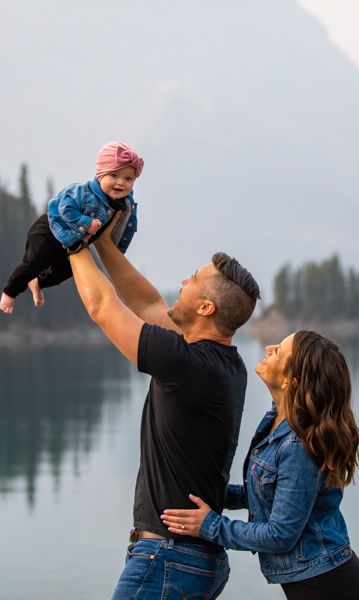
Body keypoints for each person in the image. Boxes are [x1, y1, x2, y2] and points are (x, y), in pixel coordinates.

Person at [67, 225, 261, 599]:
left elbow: (102, 306)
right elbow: (147, 306)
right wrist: (102, 243)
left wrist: (72, 239)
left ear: (206, 308)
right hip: (195, 561)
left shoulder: (187, 364)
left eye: (195, 279)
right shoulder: (224, 364)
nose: (184, 280)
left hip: (169, 559)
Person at [161, 330, 359, 600]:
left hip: (328, 586)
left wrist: (210, 526)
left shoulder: (298, 446)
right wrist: (214, 493)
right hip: (317, 580)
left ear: (290, 381)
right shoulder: (276, 422)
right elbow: (272, 493)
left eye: (280, 352)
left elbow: (280, 534)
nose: (270, 347)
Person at [0, 141, 142, 314]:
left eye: (128, 179)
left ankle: (37, 283)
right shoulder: (84, 192)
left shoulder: (125, 204)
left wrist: (117, 251)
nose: (121, 183)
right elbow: (65, 207)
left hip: (71, 243)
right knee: (34, 262)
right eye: (114, 175)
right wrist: (86, 223)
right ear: (100, 174)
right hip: (50, 231)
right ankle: (10, 291)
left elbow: (126, 228)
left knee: (67, 271)